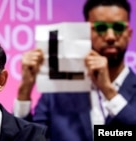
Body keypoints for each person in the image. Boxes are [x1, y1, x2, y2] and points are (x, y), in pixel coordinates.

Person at [14, 0, 136, 141]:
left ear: (129, 33)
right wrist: (24, 91)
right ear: (85, 32)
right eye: (100, 27)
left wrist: (109, 92)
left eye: (118, 27)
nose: (110, 36)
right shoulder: (58, 91)